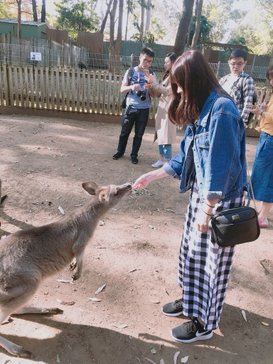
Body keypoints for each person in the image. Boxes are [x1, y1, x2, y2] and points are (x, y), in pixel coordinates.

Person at [133, 49, 247, 343]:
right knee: (191, 254)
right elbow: (186, 157)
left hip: (219, 201)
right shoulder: (202, 107)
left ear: (194, 79)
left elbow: (221, 168)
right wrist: (153, 175)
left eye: (181, 83)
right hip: (202, 194)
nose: (179, 90)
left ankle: (205, 323)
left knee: (212, 262)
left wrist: (207, 212)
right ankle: (192, 302)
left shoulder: (222, 109)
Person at [112, 47, 156, 164]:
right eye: (145, 60)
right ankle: (120, 152)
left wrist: (151, 85)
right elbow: (122, 89)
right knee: (124, 132)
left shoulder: (152, 74)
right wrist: (132, 87)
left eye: (150, 61)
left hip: (144, 109)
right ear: (140, 58)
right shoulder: (131, 71)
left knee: (139, 134)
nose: (147, 63)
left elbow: (154, 95)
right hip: (131, 107)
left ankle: (134, 155)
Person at [248, 65, 273, 228]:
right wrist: (264, 109)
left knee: (267, 177)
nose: (272, 81)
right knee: (263, 175)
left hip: (271, 139)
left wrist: (261, 113)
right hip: (266, 137)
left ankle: (263, 216)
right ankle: (262, 213)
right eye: (270, 77)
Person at [147, 52, 178, 168]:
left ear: (173, 62)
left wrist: (154, 83)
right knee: (160, 134)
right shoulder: (168, 75)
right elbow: (159, 91)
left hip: (169, 109)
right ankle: (161, 159)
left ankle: (167, 161)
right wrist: (152, 85)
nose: (164, 64)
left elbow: (167, 91)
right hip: (162, 108)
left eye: (167, 62)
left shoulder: (176, 76)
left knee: (166, 136)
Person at [219, 48, 256, 126]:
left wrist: (240, 125)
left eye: (239, 63)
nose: (235, 66)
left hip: (234, 121)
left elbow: (248, 105)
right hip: (220, 118)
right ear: (229, 63)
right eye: (233, 63)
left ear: (245, 63)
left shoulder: (247, 80)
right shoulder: (223, 80)